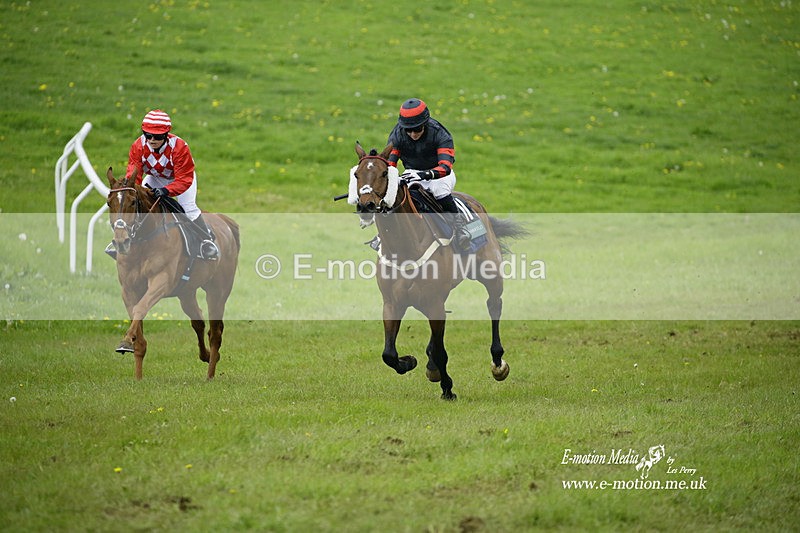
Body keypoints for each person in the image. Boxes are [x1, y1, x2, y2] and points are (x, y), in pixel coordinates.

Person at [105, 109, 219, 260]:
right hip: (155, 177)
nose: (152, 140)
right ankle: (125, 240)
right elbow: (133, 174)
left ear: (166, 135)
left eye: (157, 136)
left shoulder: (179, 147)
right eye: (148, 135)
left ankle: (206, 241)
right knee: (137, 202)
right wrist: (130, 191)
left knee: (189, 208)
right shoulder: (138, 146)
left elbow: (184, 179)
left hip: (180, 179)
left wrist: (166, 190)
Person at [387, 98, 471, 249]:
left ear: (425, 124)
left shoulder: (440, 134)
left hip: (440, 174)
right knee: (397, 195)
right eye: (408, 130)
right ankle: (384, 235)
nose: (412, 134)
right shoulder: (397, 134)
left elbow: (445, 167)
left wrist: (423, 175)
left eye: (417, 129)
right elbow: (390, 165)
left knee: (440, 191)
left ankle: (460, 228)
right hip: (412, 172)